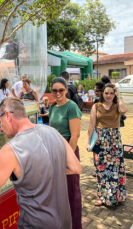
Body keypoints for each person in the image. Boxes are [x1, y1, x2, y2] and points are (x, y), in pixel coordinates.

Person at [0, 98, 82, 229]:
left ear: (7, 115)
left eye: (0, 122)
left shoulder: (10, 150)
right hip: (64, 222)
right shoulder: (54, 132)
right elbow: (75, 167)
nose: (1, 129)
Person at [48, 77, 82, 229]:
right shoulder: (52, 107)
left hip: (68, 149)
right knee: (56, 191)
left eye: (61, 90)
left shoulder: (72, 107)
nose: (58, 93)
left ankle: (74, 225)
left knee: (71, 191)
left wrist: (69, 158)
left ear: (66, 90)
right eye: (54, 90)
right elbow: (50, 130)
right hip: (53, 150)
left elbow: (75, 135)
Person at [86, 83, 128, 206]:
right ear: (102, 93)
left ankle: (118, 196)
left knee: (116, 168)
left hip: (114, 140)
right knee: (101, 169)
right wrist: (88, 141)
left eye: (111, 93)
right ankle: (102, 197)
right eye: (106, 93)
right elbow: (91, 125)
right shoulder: (96, 106)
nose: (109, 95)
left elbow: (124, 110)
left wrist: (119, 95)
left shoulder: (117, 106)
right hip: (100, 139)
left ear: (114, 94)